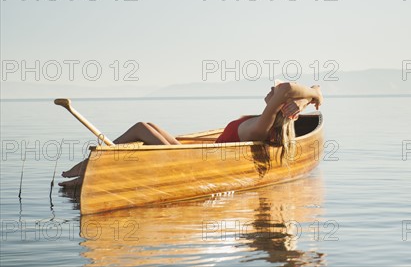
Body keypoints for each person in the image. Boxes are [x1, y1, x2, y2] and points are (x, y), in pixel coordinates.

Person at [59, 82, 322, 188]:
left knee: (141, 128)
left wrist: (312, 96)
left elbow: (287, 88)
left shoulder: (262, 123)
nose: (272, 89)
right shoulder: (271, 123)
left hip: (198, 161)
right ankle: (88, 172)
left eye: (273, 93)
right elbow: (298, 91)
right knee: (145, 126)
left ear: (278, 105)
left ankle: (87, 168)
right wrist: (306, 100)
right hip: (204, 156)